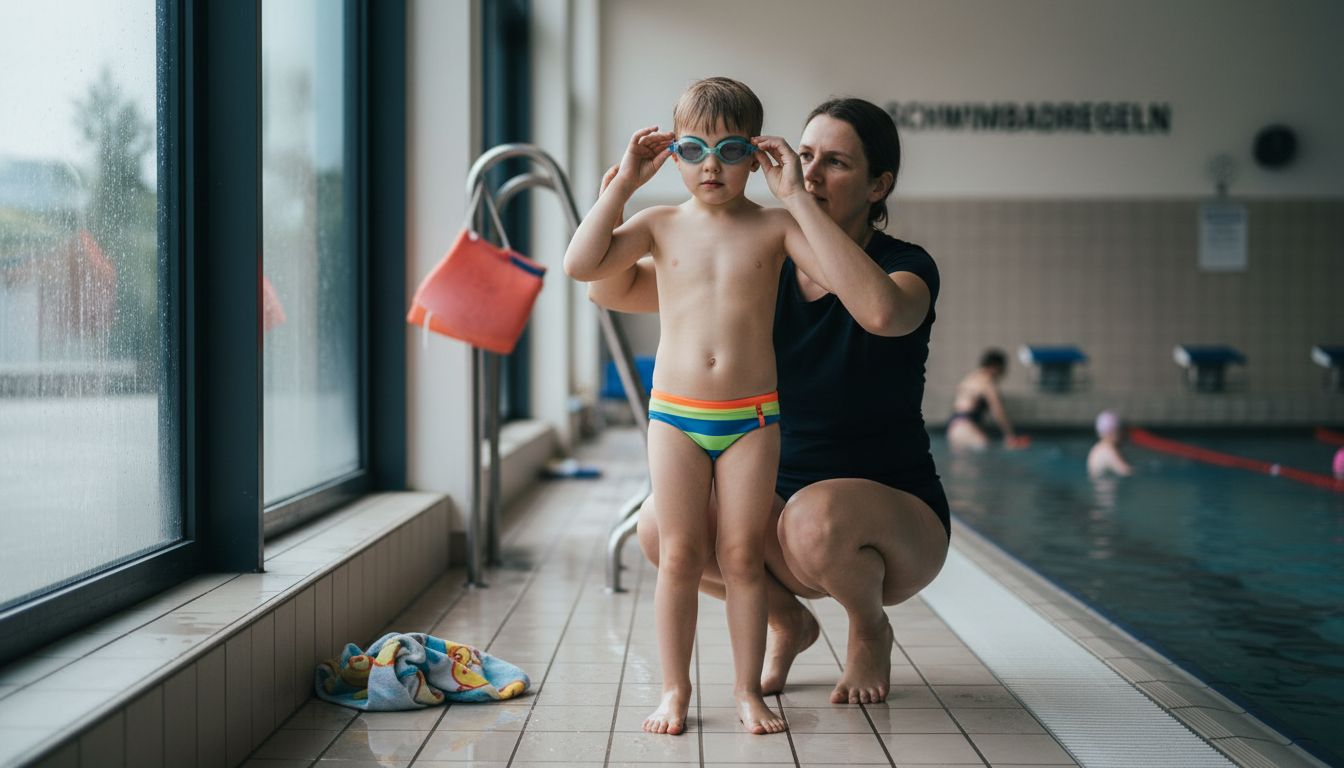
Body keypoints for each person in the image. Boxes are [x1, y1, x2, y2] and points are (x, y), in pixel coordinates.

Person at [588, 97, 950, 708]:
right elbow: (612, 290)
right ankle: (789, 621)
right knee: (660, 528)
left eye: (834, 163)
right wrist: (615, 201)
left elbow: (882, 313)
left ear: (878, 184)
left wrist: (797, 207)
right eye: (804, 156)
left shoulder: (906, 267)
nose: (809, 174)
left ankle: (870, 628)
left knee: (814, 517)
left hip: (891, 522)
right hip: (777, 510)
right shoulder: (766, 264)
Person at [565, 77, 817, 736]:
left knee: (740, 558)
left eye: (731, 150)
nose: (711, 165)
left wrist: (794, 190)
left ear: (756, 156)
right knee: (678, 555)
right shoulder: (656, 224)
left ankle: (745, 692)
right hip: (675, 415)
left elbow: (828, 267)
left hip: (753, 418)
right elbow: (580, 264)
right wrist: (620, 187)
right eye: (693, 149)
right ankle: (674, 691)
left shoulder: (774, 226)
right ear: (669, 156)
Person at [947, 349, 1028, 451]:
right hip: (966, 427)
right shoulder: (988, 383)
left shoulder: (971, 377)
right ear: (996, 367)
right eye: (1003, 367)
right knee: (985, 448)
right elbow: (998, 411)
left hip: (954, 427)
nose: (1004, 372)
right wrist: (1010, 435)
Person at [1087, 410, 1133, 477]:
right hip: (1107, 486)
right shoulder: (1108, 450)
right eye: (1121, 430)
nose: (1124, 434)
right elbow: (1126, 472)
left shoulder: (1098, 448)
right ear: (1113, 432)